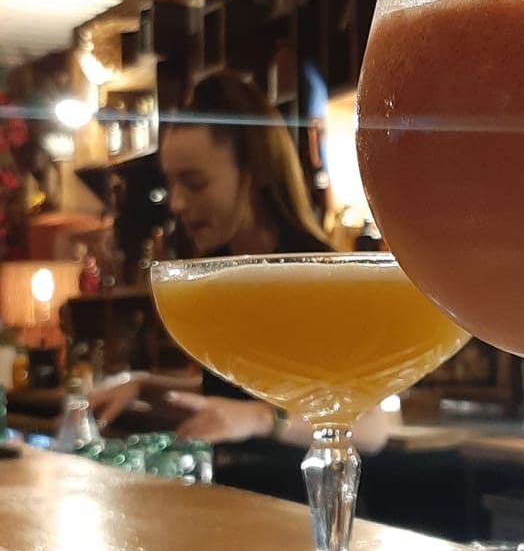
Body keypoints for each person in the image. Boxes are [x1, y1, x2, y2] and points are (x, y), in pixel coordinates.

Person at [91, 72, 388, 497]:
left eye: (194, 183)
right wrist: (143, 385)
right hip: (234, 508)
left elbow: (374, 427)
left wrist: (261, 419)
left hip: (305, 508)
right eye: (172, 184)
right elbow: (231, 394)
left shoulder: (320, 273)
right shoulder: (221, 275)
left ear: (254, 172)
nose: (177, 203)